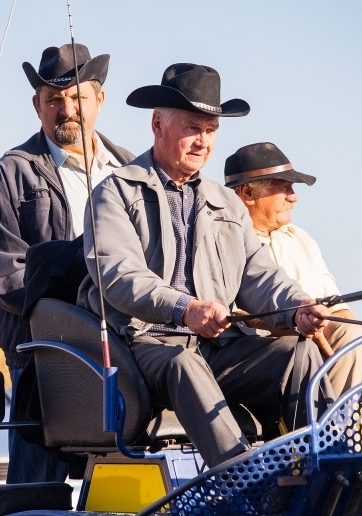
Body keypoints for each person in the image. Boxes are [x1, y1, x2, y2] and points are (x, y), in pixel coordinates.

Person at [77, 63, 335, 468]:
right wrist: (186, 308)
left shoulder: (226, 202)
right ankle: (241, 481)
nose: (203, 141)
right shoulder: (115, 193)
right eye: (192, 128)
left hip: (218, 348)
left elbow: (260, 274)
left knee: (298, 353)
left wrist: (297, 306)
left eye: (211, 130)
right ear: (158, 124)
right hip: (148, 347)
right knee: (184, 363)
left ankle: (324, 473)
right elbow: (120, 278)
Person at [0, 43, 135, 483]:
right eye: (54, 99)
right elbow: (8, 278)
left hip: (126, 351)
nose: (67, 109)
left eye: (79, 97)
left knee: (122, 482)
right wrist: (79, 301)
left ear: (99, 100)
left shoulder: (131, 171)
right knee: (37, 489)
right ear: (37, 106)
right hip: (45, 355)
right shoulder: (12, 174)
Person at [224, 142, 362, 396]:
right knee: (347, 335)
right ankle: (330, 430)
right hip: (273, 351)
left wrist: (336, 332)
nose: (294, 196)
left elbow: (340, 308)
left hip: (337, 345)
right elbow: (234, 315)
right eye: (284, 187)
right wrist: (299, 324)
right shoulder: (225, 241)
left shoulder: (301, 239)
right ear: (249, 193)